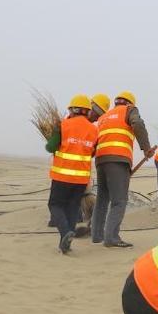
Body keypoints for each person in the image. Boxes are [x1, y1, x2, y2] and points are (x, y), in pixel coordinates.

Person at [91, 91, 155, 248]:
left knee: (102, 199)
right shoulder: (129, 109)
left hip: (101, 160)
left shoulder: (105, 116)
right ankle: (111, 238)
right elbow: (138, 124)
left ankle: (97, 236)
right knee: (119, 201)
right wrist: (146, 148)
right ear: (129, 102)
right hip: (118, 160)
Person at [44, 94, 98, 254]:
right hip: (81, 178)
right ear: (87, 112)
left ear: (73, 109)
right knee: (72, 207)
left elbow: (50, 147)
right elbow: (92, 152)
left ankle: (65, 231)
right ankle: (65, 242)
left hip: (63, 176)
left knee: (55, 204)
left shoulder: (64, 125)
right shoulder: (93, 130)